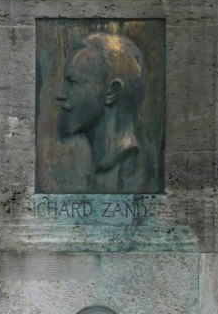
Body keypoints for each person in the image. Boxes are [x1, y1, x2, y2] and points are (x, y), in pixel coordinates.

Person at [55, 27, 157, 192]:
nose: (61, 95)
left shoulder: (138, 171)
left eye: (72, 82)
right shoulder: (83, 168)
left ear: (111, 92)